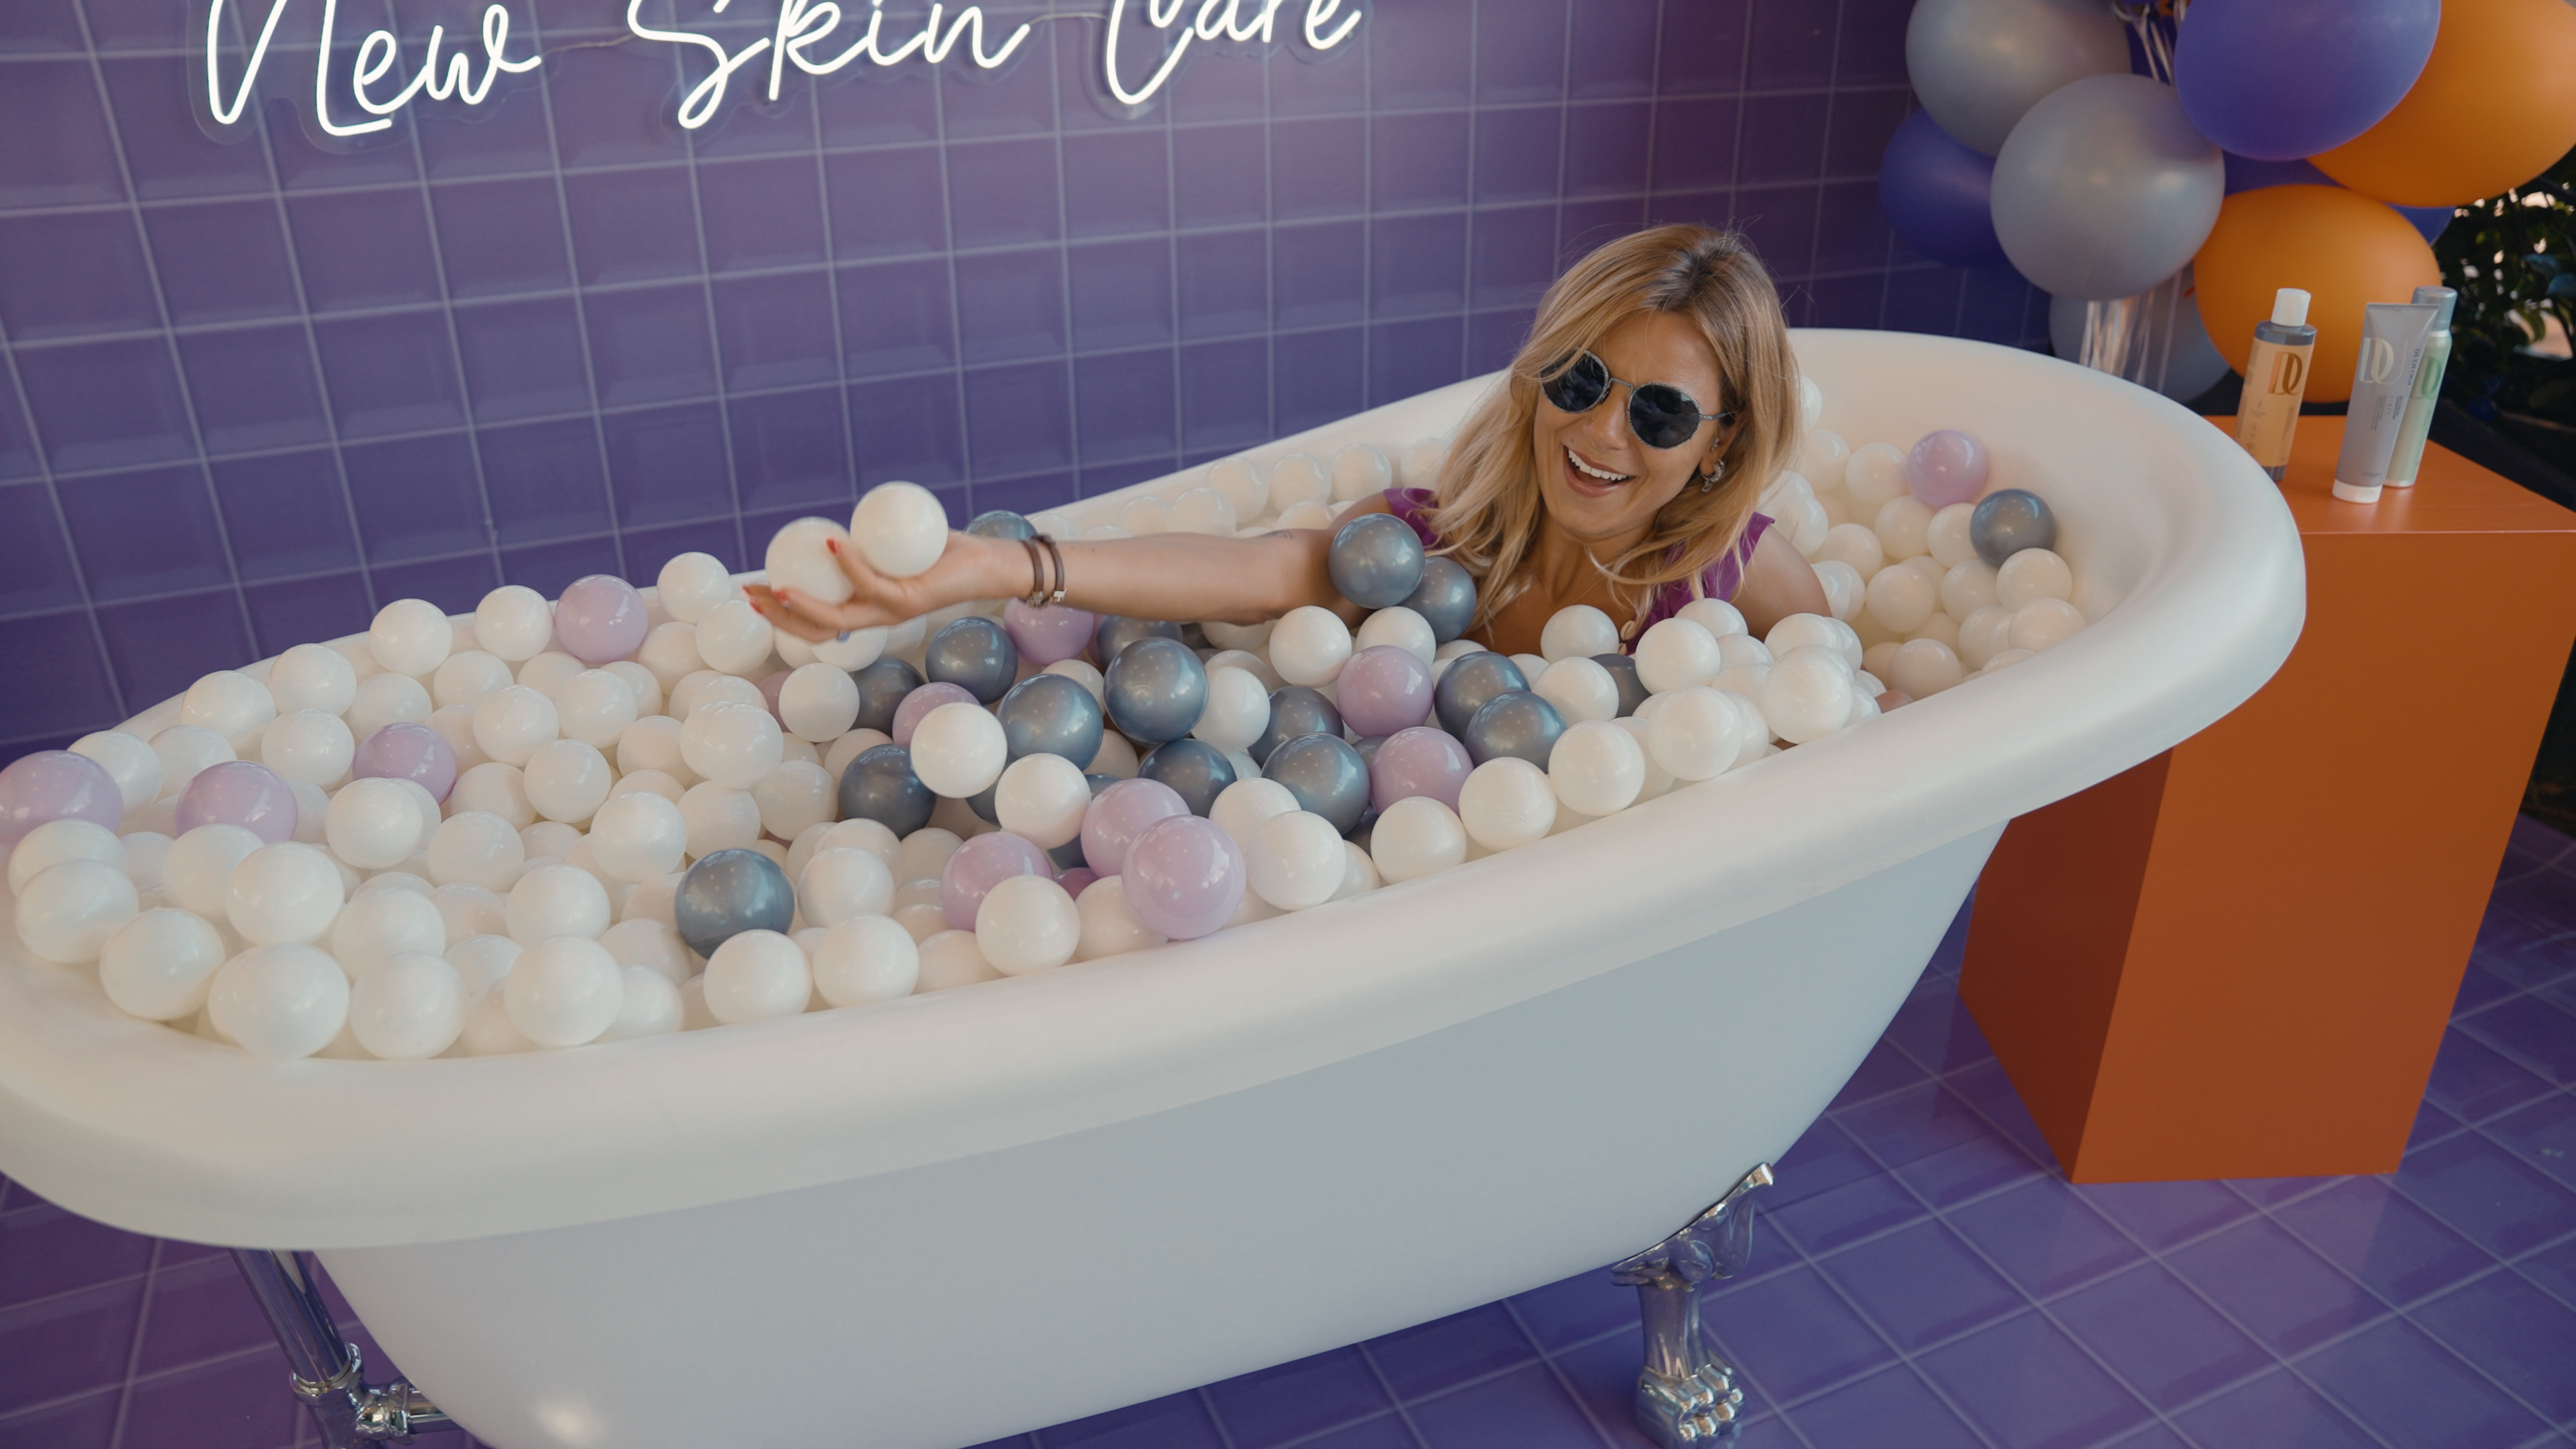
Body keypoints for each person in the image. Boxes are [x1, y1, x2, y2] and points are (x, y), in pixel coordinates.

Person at [751, 225, 1825, 657]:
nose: (1599, 430)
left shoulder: (1740, 586)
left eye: (1659, 413)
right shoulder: (1425, 545)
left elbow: (1857, 732)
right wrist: (989, 567)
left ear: (1721, 444)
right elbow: (1256, 571)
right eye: (1580, 379)